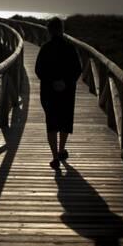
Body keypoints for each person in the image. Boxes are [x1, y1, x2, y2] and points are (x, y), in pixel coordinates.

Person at [34, 17, 82, 170]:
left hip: (49, 92)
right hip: (67, 92)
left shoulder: (45, 48)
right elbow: (77, 69)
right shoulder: (70, 48)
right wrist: (65, 82)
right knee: (64, 121)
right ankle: (61, 150)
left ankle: (55, 156)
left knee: (52, 123)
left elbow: (38, 70)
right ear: (62, 30)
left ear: (49, 31)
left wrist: (52, 82)